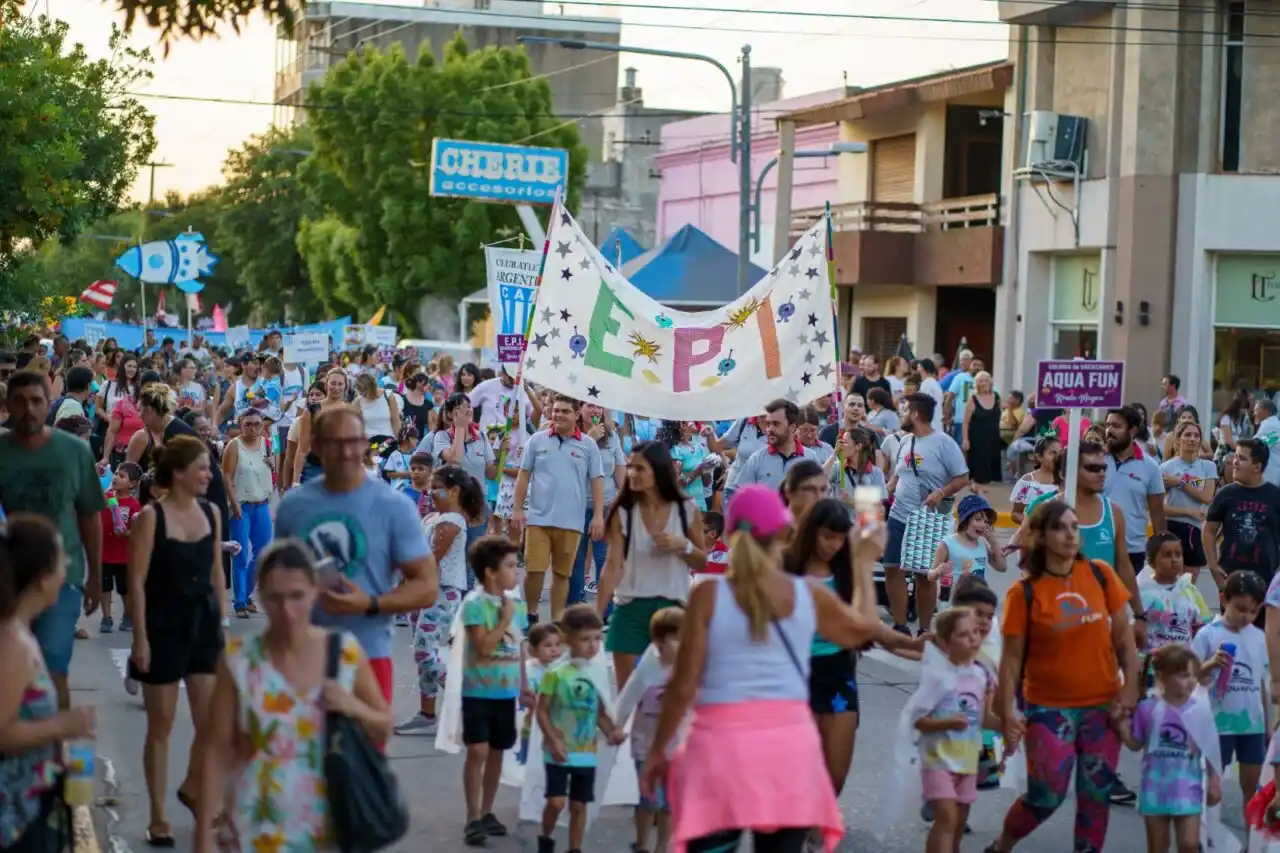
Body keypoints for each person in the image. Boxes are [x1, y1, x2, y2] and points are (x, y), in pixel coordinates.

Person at [644, 485, 884, 853]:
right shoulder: (807, 595)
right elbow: (864, 630)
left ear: (730, 534)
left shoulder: (707, 597)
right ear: (783, 533)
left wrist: (659, 750)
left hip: (718, 751)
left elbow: (682, 686)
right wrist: (864, 565)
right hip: (788, 753)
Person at [194, 539, 392, 853]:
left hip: (328, 826)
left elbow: (383, 726)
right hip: (254, 825)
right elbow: (216, 749)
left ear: (315, 590)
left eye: (297, 596)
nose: (287, 611)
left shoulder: (343, 652)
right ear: (260, 595)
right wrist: (203, 838)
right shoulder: (239, 660)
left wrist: (352, 705)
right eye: (275, 598)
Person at [989, 499, 1140, 852]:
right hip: (1048, 710)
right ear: (1040, 536)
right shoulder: (1024, 593)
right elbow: (1011, 661)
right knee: (1046, 795)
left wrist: (1129, 691)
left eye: (1074, 527)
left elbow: (1124, 642)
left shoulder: (1100, 574)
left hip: (1103, 708)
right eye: (1059, 528)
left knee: (1095, 797)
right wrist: (1006, 712)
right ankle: (1002, 844)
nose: (1071, 534)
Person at [274, 405, 439, 702]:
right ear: (317, 447)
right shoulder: (293, 507)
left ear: (365, 445)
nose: (345, 452)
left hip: (369, 654)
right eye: (333, 442)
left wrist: (371, 603)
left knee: (369, 731)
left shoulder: (394, 506)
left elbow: (427, 587)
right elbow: (276, 579)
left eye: (352, 441)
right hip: (304, 655)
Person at [127, 435, 226, 846]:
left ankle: (192, 784)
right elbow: (136, 582)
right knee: (161, 724)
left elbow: (217, 572)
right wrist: (140, 639)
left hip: (203, 625)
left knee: (211, 722)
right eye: (202, 468)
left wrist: (221, 625)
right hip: (163, 625)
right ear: (180, 472)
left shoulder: (212, 512)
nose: (209, 475)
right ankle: (158, 815)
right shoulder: (151, 518)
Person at [0, 371, 106, 709]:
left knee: (51, 664)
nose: (29, 409)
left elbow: (90, 516)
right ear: (7, 405)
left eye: (36, 401)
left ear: (49, 404)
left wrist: (96, 577)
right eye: (20, 401)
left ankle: (55, 735)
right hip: (9, 578)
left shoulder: (74, 451)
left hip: (62, 575)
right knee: (12, 664)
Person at [0, 514, 97, 853]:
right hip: (13, 818)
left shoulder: (18, 632)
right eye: (61, 559)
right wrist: (64, 725)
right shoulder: (13, 643)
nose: (67, 567)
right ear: (42, 579)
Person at [597, 441, 704, 690]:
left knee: (670, 691)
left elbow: (702, 560)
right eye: (630, 467)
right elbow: (613, 565)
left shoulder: (686, 510)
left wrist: (683, 545)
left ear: (658, 471)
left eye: (639, 468)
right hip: (630, 607)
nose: (632, 473)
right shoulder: (623, 512)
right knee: (628, 692)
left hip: (672, 608)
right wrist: (596, 613)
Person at [395, 465, 485, 737]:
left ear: (454, 491)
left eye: (437, 488)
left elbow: (431, 558)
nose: (430, 492)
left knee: (424, 651)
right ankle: (427, 714)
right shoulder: (434, 517)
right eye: (430, 487)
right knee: (426, 654)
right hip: (423, 591)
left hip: (442, 592)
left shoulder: (452, 522)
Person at [1117, 644, 1222, 853]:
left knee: (1189, 844)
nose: (1191, 681)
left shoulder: (1199, 709)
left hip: (1188, 787)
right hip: (1154, 789)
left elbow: (1211, 748)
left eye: (1193, 675)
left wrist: (1214, 781)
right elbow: (1136, 744)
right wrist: (1122, 727)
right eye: (1183, 676)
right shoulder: (1148, 708)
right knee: (1158, 847)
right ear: (1162, 676)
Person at [458, 536, 528, 846]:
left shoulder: (516, 604)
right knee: (478, 751)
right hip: (477, 690)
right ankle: (472, 815)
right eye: (510, 566)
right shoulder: (474, 604)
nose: (517, 572)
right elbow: (484, 647)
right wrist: (505, 619)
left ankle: (487, 810)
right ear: (490, 572)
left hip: (505, 692)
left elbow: (521, 647)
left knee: (498, 751)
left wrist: (525, 685)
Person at [906, 607, 993, 853]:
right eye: (964, 634)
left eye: (975, 632)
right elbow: (918, 720)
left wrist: (1009, 726)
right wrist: (947, 723)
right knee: (946, 819)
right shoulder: (937, 677)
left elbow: (983, 719)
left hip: (967, 761)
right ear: (945, 643)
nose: (973, 638)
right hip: (938, 761)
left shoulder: (980, 675)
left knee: (958, 824)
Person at [512, 395, 605, 622]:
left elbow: (597, 481)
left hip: (571, 521)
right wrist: (517, 509)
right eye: (555, 410)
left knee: (562, 575)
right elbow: (523, 476)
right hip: (538, 519)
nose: (558, 415)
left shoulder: (588, 445)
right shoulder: (537, 440)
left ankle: (556, 622)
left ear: (576, 414)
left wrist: (598, 516)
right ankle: (531, 615)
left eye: (564, 411)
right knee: (534, 570)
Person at [883, 392, 969, 635]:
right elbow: (899, 473)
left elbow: (962, 477)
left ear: (915, 414)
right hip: (898, 514)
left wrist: (941, 492)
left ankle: (924, 629)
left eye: (904, 410)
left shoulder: (943, 442)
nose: (901, 414)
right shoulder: (904, 441)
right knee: (892, 568)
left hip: (927, 517)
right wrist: (887, 487)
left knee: (923, 575)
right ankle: (900, 626)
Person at [1194, 570, 1267, 828]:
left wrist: (1267, 724)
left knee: (1252, 785)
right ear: (1224, 599)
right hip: (1217, 723)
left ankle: (1251, 840)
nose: (1246, 616)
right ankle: (1206, 836)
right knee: (1212, 787)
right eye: (1240, 609)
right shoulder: (1208, 634)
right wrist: (1210, 664)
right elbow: (1188, 675)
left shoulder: (1259, 637)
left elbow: (1260, 682)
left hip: (1252, 725)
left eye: (1253, 611)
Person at [569, 404, 626, 605]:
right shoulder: (571, 436)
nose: (595, 411)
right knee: (576, 559)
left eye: (599, 407)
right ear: (579, 410)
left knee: (605, 558)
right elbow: (569, 467)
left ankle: (606, 611)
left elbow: (620, 468)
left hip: (606, 507)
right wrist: (589, 439)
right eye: (590, 406)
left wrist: (623, 496)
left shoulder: (611, 436)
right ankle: (575, 606)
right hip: (576, 507)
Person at [222, 409, 275, 618]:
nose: (253, 428)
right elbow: (226, 476)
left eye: (257, 424)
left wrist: (274, 466)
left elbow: (273, 469)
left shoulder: (267, 443)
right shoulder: (234, 446)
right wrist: (234, 504)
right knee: (240, 554)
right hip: (241, 505)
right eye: (248, 424)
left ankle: (247, 593)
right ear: (241, 425)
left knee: (262, 553)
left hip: (261, 504)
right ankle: (240, 602)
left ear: (262, 425)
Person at [1104, 406, 1167, 574]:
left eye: (1116, 426)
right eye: (1107, 425)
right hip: (1098, 546)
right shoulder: (1095, 461)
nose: (1109, 431)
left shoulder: (1151, 467)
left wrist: (1161, 549)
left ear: (1132, 430)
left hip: (1133, 550)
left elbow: (1157, 513)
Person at [1138, 533, 1209, 664]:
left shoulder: (1190, 591)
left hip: (1182, 665)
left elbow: (1202, 629)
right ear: (1152, 562)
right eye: (1167, 555)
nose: (1174, 559)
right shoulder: (1142, 593)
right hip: (1151, 665)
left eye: (1178, 554)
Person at [1159, 420, 1217, 583]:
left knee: (1189, 583)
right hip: (1172, 527)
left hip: (1196, 529)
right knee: (1170, 580)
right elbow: (1159, 508)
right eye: (1187, 435)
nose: (1192, 439)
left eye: (1196, 435)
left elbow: (1207, 497)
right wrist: (1188, 512)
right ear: (1178, 440)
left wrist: (1180, 483)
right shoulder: (1166, 468)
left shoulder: (1208, 466)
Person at [732, 399, 818, 490]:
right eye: (768, 424)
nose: (769, 429)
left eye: (776, 424)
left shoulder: (811, 458)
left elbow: (820, 494)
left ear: (792, 427)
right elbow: (743, 494)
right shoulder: (756, 459)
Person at [100, 462, 143, 634]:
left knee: (124, 588)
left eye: (122, 476)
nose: (116, 477)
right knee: (104, 587)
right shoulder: (106, 497)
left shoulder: (134, 505)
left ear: (132, 484)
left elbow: (137, 530)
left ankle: (128, 614)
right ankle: (106, 617)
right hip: (104, 552)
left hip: (124, 556)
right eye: (116, 474)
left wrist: (126, 533)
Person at [928, 494, 1006, 588]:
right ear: (965, 520)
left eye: (986, 521)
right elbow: (930, 575)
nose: (983, 525)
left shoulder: (982, 544)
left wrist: (993, 541)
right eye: (978, 519)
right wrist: (937, 571)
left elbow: (1002, 567)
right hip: (955, 597)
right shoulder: (947, 544)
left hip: (978, 596)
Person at [290, 368, 351, 486]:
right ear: (327, 384)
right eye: (333, 383)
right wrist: (295, 481)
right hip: (314, 470)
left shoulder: (350, 411)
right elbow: (302, 449)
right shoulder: (311, 411)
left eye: (340, 384)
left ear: (345, 386)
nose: (336, 387)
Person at [961, 371, 1002, 497]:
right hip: (977, 440)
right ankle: (979, 495)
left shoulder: (997, 397)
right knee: (979, 473)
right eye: (981, 381)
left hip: (993, 439)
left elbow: (999, 416)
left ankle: (990, 498)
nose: (984, 383)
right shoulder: (973, 399)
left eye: (986, 380)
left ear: (990, 382)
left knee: (992, 474)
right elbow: (965, 422)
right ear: (977, 384)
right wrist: (965, 439)